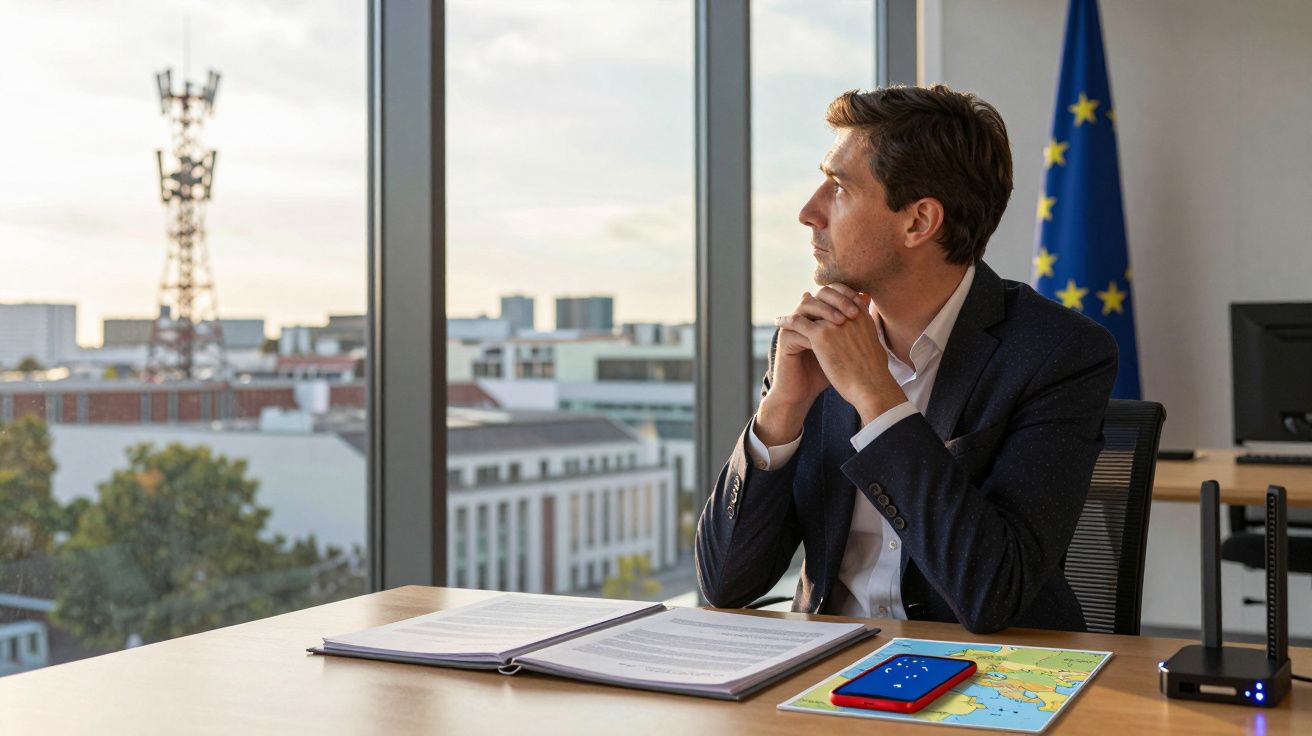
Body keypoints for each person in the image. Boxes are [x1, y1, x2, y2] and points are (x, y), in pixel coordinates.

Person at [694, 84, 1117, 634]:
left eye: (839, 189)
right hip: (822, 671)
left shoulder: (1058, 353)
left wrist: (878, 399)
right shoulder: (810, 342)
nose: (807, 212)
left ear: (918, 222)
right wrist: (782, 409)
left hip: (987, 676)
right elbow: (726, 584)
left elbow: (993, 594)